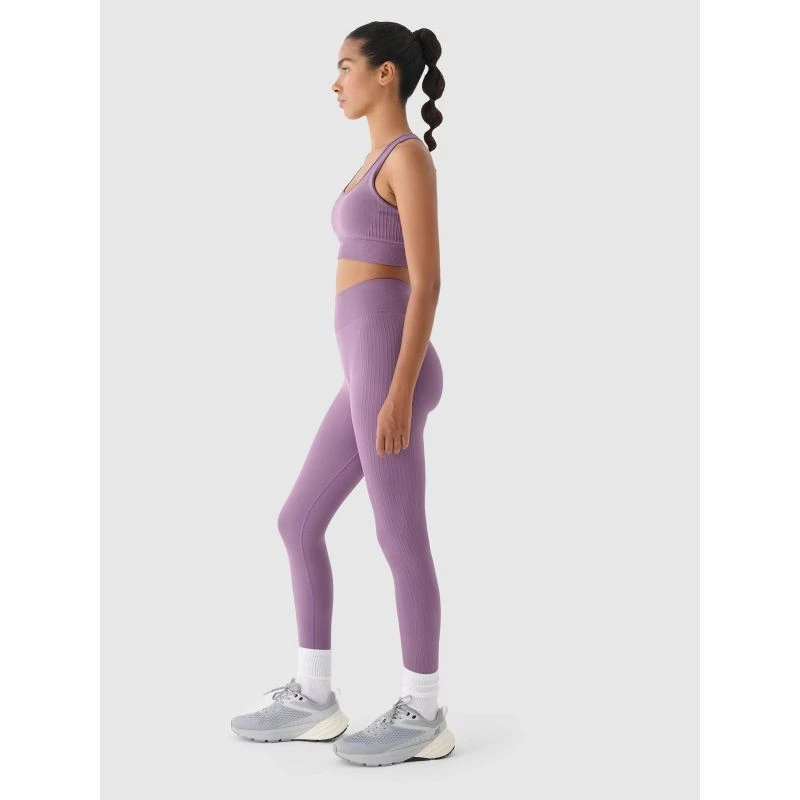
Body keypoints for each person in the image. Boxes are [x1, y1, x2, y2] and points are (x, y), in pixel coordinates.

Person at [231, 22, 452, 767]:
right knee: (298, 522)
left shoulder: (407, 157)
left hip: (390, 365)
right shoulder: (371, 162)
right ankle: (314, 696)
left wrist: (398, 391)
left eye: (346, 66)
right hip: (366, 367)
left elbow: (428, 282)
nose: (335, 82)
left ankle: (424, 711)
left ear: (386, 74)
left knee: (399, 535)